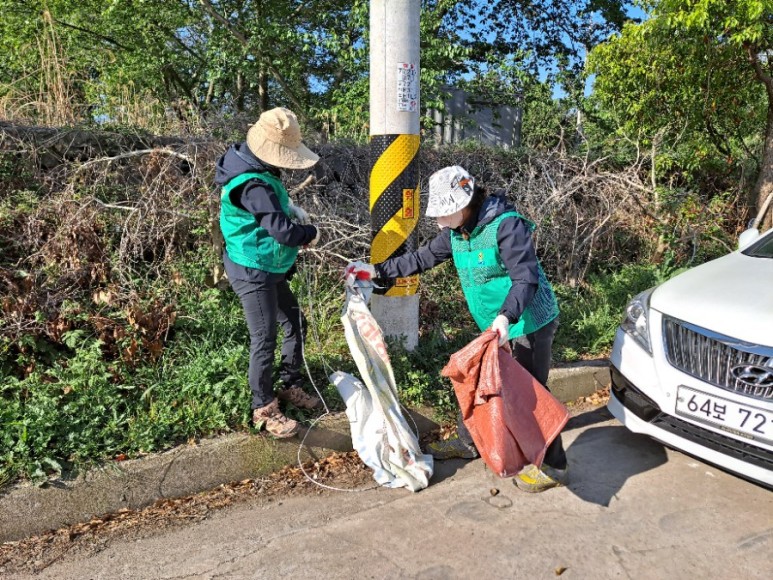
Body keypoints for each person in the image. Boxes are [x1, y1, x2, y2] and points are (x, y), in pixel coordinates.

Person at [345, 166, 568, 492]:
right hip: (495, 325)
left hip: (527, 322)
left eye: (443, 213)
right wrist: (374, 271)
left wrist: (506, 317)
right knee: (478, 381)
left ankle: (555, 466)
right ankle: (469, 443)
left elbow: (525, 279)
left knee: (530, 395)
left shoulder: (506, 227)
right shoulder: (457, 232)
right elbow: (420, 259)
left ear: (465, 205)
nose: (438, 221)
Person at [216, 107, 322, 439]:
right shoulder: (251, 183)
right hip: (252, 267)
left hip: (270, 263)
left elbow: (271, 214)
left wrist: (287, 208)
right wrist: (309, 234)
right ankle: (264, 408)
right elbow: (283, 232)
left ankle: (291, 383)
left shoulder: (255, 165)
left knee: (295, 323)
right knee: (264, 337)